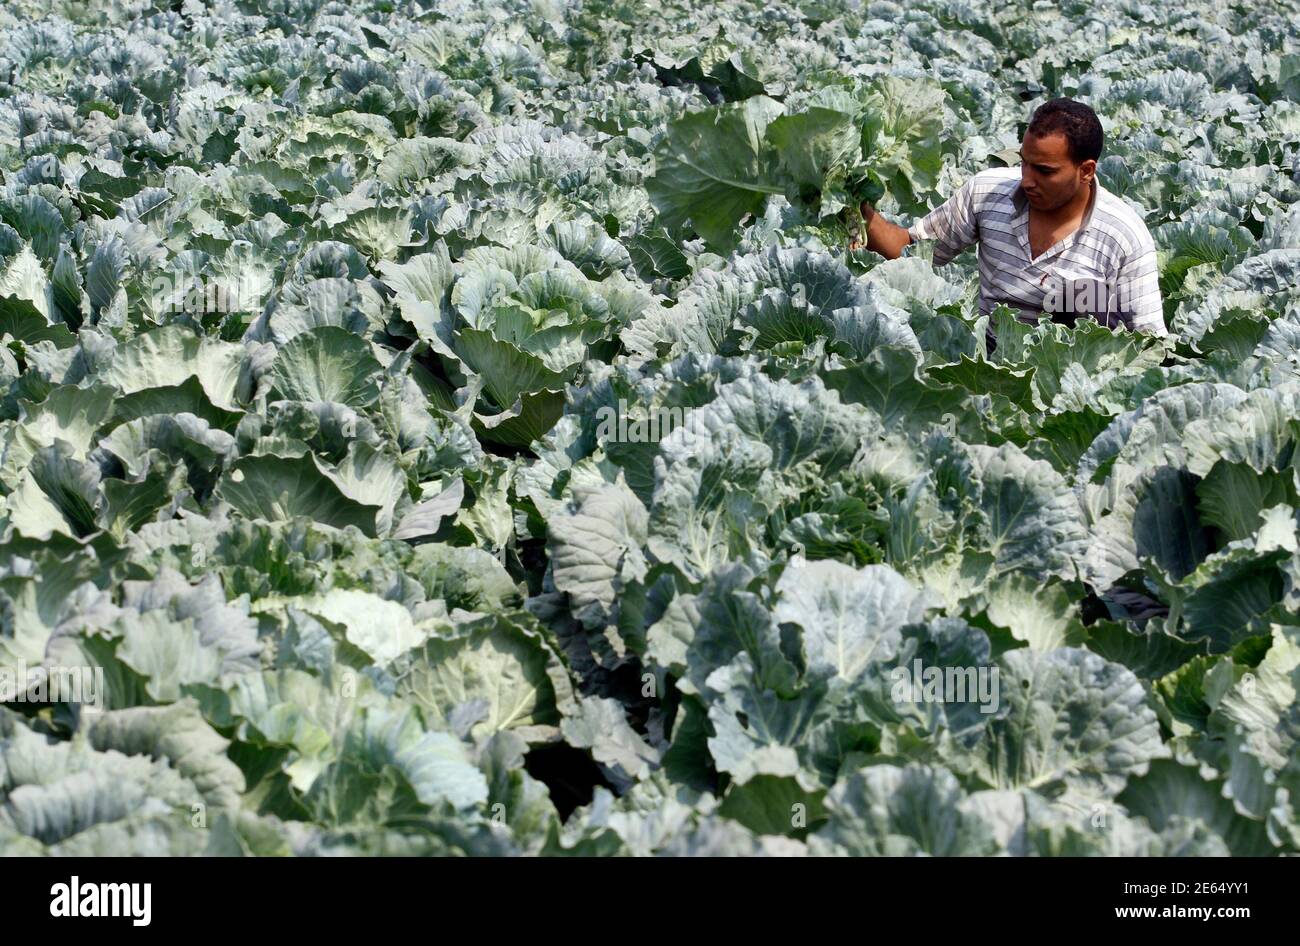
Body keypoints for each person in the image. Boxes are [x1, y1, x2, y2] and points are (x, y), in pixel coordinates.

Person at [851, 98, 1167, 338]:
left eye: (1044, 171)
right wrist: (853, 204)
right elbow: (910, 254)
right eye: (1024, 163)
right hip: (989, 354)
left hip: (1071, 372)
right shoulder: (988, 192)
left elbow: (1148, 339)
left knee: (1080, 295)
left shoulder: (1124, 234)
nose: (1027, 179)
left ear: (1086, 171)